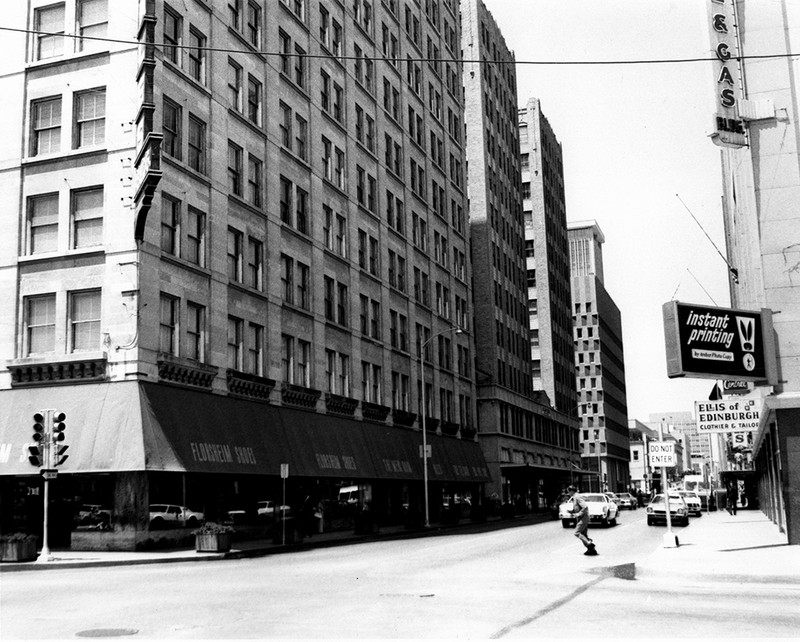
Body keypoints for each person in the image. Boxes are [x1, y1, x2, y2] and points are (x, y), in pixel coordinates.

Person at [567, 485, 597, 556]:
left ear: (571, 491)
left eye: (568, 492)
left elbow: (585, 507)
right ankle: (591, 550)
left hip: (583, 518)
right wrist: (571, 511)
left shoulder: (577, 497)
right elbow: (578, 508)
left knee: (577, 533)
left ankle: (589, 543)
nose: (568, 493)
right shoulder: (574, 498)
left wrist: (578, 514)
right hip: (581, 518)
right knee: (583, 534)